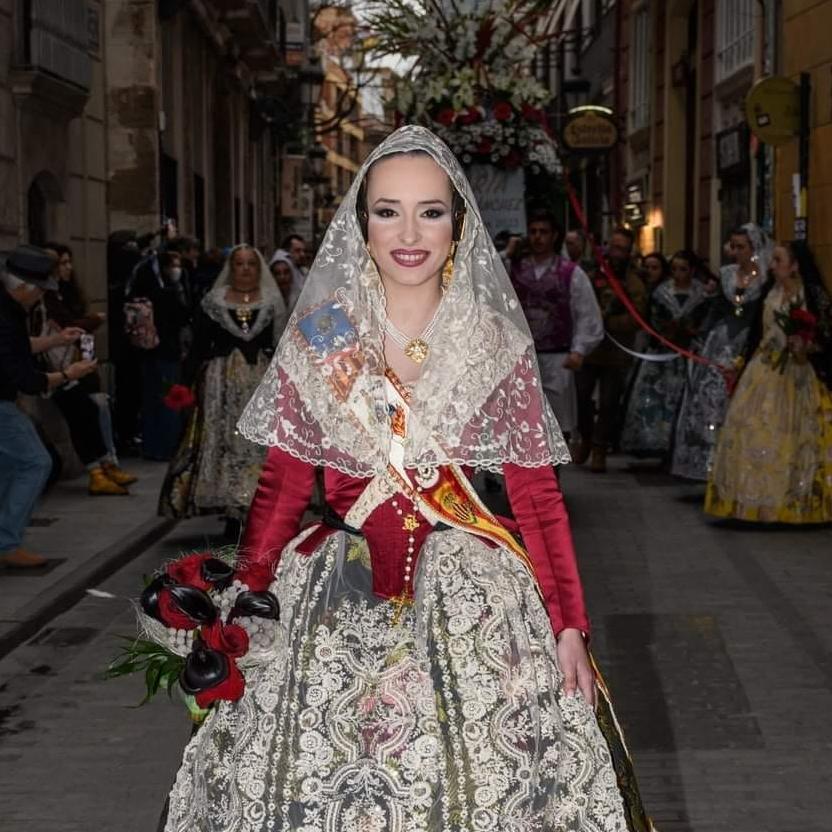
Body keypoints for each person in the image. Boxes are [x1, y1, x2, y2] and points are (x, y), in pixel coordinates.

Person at [161, 126, 647, 831]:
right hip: (334, 593)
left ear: (459, 223)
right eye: (388, 210)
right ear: (362, 224)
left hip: (470, 598)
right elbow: (284, 485)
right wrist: (249, 592)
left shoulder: (492, 340)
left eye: (431, 210)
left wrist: (569, 623)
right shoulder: (324, 334)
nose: (410, 232)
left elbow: (538, 499)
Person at [158, 245, 287, 527]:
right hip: (221, 383)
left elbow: (281, 346)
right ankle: (230, 508)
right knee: (223, 441)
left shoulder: (272, 302)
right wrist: (185, 383)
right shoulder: (213, 302)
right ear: (230, 269)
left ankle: (256, 505)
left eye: (251, 264)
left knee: (257, 444)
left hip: (260, 382)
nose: (244, 270)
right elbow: (198, 348)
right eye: (239, 264)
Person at [705, 240, 832, 522]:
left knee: (795, 436)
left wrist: (806, 345)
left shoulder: (811, 296)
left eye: (778, 261)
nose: (772, 266)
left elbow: (826, 336)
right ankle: (749, 503)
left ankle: (790, 504)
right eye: (772, 261)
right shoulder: (768, 292)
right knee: (750, 427)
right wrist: (740, 365)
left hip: (797, 375)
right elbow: (755, 335)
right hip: (763, 370)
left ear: (795, 265)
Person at [0, 245, 98, 567]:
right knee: (36, 462)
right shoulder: (6, 314)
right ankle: (7, 543)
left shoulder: (7, 309)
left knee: (11, 465)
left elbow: (15, 346)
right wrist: (69, 373)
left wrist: (56, 341)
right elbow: (26, 379)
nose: (41, 296)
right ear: (24, 287)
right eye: (40, 290)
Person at [671, 223, 772, 481]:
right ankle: (707, 463)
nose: (735, 252)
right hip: (721, 342)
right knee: (710, 399)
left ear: (755, 248)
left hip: (749, 342)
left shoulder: (765, 278)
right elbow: (717, 309)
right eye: (733, 246)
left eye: (741, 247)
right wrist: (704, 335)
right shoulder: (727, 274)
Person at [41, 242, 137, 490]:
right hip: (52, 368)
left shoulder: (64, 293)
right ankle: (97, 470)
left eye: (68, 262)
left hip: (71, 365)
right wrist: (92, 320)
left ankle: (105, 465)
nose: (67, 268)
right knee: (82, 412)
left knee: (93, 409)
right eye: (62, 263)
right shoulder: (43, 297)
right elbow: (66, 326)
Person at [507, 210, 603, 437]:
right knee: (520, 423)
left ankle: (554, 471)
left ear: (554, 236)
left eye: (544, 232)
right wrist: (507, 253)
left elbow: (586, 313)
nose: (538, 237)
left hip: (557, 357)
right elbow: (485, 284)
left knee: (556, 425)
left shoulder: (571, 273)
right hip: (519, 356)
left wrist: (579, 350)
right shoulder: (513, 268)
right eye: (533, 232)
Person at [621, 250, 710, 458]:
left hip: (689, 354)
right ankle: (654, 442)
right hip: (663, 353)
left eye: (683, 269)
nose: (678, 274)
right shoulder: (662, 293)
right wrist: (665, 332)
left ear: (692, 271)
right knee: (657, 399)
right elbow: (654, 320)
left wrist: (691, 332)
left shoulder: (702, 294)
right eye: (674, 269)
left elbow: (704, 321)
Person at [574, 226, 648, 472]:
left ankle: (599, 447)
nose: (616, 253)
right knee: (581, 396)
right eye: (613, 246)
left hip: (616, 351)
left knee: (608, 402)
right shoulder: (590, 272)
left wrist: (607, 322)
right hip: (589, 348)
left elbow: (636, 317)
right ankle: (585, 437)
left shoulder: (635, 280)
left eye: (622, 249)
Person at [129, 249, 191, 460]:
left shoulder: (143, 291)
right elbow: (183, 316)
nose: (177, 270)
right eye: (174, 265)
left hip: (146, 351)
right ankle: (169, 446)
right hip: (167, 352)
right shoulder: (170, 293)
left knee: (151, 399)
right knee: (171, 399)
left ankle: (152, 446)